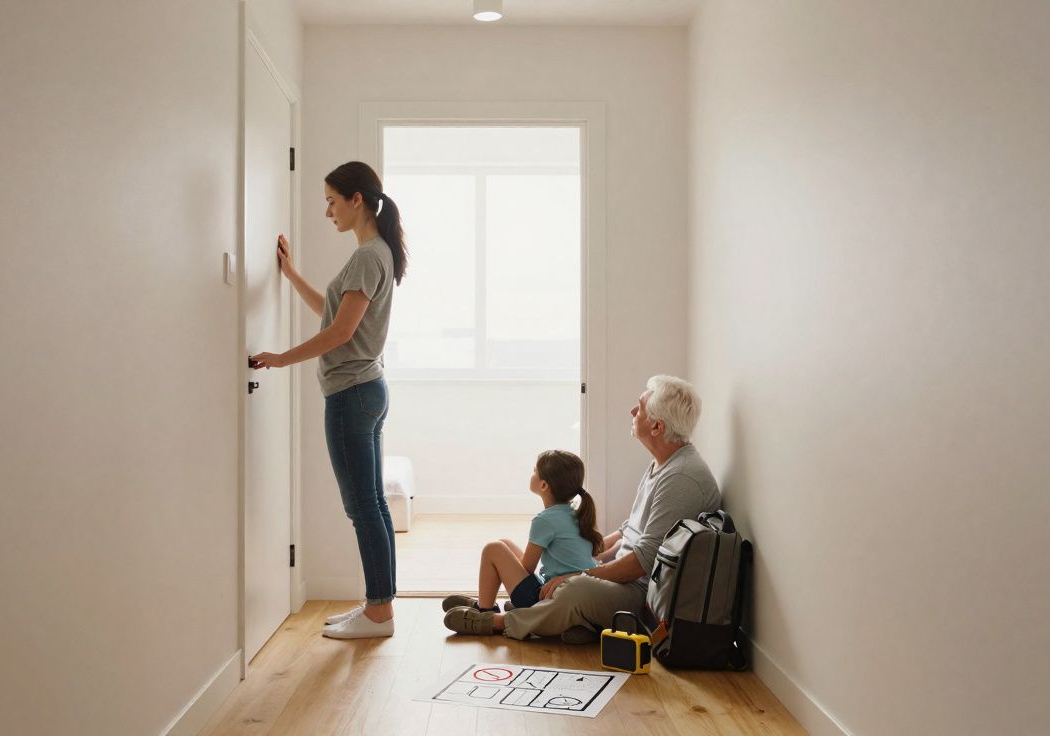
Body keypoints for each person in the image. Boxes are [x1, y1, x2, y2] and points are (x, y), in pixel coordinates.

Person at [251, 161, 407, 640]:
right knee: (372, 505)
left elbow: (341, 332)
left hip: (351, 394)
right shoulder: (376, 253)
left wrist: (279, 359)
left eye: (331, 201)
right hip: (369, 389)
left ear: (356, 199)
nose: (326, 211)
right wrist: (292, 274)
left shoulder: (367, 257)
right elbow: (333, 311)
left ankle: (379, 613)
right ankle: (378, 606)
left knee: (363, 507)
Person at [442, 376, 721, 642]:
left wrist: (580, 574)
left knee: (573, 589)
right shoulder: (662, 465)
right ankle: (577, 624)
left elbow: (640, 564)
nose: (633, 410)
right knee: (568, 581)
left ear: (657, 427)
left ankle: (498, 622)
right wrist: (591, 549)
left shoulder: (681, 478)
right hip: (621, 577)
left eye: (641, 407)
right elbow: (629, 532)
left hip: (637, 593)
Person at [440, 450, 603, 617]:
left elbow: (527, 567)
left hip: (544, 599)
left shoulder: (545, 521)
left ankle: (485, 610)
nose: (532, 473)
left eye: (534, 471)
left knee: (493, 549)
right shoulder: (577, 513)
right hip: (562, 592)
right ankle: (485, 601)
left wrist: (506, 565)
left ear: (544, 485)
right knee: (505, 544)